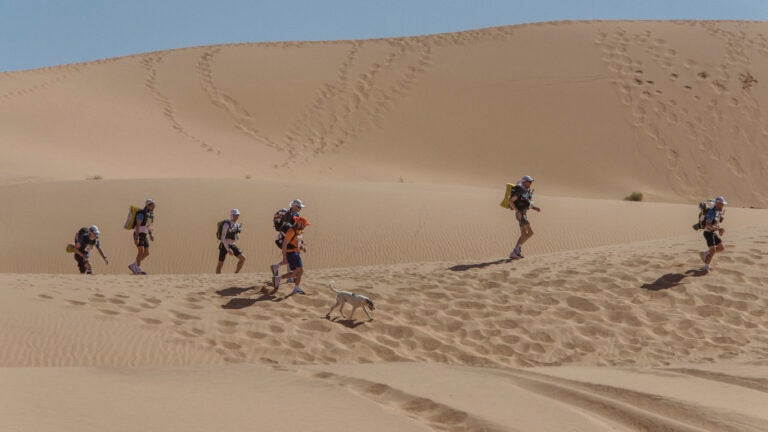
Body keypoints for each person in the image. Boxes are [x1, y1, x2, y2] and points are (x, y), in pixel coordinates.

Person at [273, 216, 310, 295]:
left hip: (296, 252)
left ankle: (278, 278)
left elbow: (297, 241)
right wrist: (284, 257)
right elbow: (284, 244)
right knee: (300, 271)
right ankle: (296, 289)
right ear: (300, 223)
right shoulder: (291, 231)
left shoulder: (299, 231)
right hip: (291, 253)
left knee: (295, 273)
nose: (305, 226)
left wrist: (302, 247)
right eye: (304, 225)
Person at [507, 175, 541, 259]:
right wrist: (517, 211)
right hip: (521, 214)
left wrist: (534, 208)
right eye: (529, 181)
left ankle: (517, 251)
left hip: (524, 214)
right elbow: (510, 201)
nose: (530, 183)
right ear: (524, 181)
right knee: (529, 232)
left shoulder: (526, 191)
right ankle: (515, 251)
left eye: (531, 182)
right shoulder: (520, 190)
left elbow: (526, 203)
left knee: (525, 234)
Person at [270, 199, 305, 279]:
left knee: (291, 257)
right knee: (291, 255)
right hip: (286, 239)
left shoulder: (293, 214)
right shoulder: (290, 215)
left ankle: (276, 267)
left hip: (289, 238)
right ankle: (289, 277)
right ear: (294, 206)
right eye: (299, 207)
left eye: (300, 207)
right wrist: (292, 239)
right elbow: (287, 229)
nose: (300, 208)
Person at [699, 196, 727, 273]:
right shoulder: (711, 212)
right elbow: (708, 225)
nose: (723, 205)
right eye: (721, 204)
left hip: (713, 232)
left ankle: (704, 253)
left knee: (721, 248)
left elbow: (715, 223)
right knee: (713, 250)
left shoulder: (718, 212)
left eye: (723, 204)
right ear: (717, 203)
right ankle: (706, 267)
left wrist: (719, 229)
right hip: (708, 233)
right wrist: (719, 229)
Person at [129, 199, 155, 275]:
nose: (153, 207)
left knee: (146, 253)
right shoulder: (141, 214)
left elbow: (148, 225)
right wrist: (136, 237)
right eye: (152, 205)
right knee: (141, 251)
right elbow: (137, 225)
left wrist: (150, 234)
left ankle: (133, 265)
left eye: (154, 205)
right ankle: (138, 269)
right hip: (139, 234)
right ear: (147, 205)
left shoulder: (150, 214)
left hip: (144, 234)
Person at [217, 209, 245, 274]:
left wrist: (237, 234)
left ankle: (236, 274)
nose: (237, 217)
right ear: (232, 215)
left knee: (242, 258)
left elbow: (237, 237)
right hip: (224, 245)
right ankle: (218, 278)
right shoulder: (226, 224)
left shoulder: (237, 225)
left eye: (238, 215)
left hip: (232, 244)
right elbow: (223, 238)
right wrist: (228, 249)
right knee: (220, 264)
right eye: (235, 215)